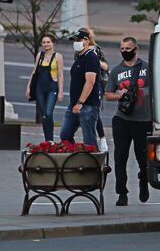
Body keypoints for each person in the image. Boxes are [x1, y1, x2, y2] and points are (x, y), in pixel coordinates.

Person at [105, 36, 152, 206]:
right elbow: (108, 94)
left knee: (143, 157)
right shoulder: (116, 71)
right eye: (122, 49)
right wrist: (119, 94)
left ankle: (143, 180)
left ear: (136, 49)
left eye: (128, 48)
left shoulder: (147, 68)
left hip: (143, 120)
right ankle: (122, 193)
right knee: (120, 156)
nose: (124, 51)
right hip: (122, 119)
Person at [60, 29, 103, 148]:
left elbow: (90, 82)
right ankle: (75, 158)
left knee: (89, 140)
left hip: (87, 105)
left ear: (86, 41)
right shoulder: (80, 57)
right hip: (74, 104)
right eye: (74, 40)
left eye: (78, 40)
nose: (75, 42)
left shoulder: (91, 57)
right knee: (65, 135)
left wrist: (80, 102)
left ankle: (92, 164)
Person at [26, 34, 65, 143]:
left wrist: (61, 91)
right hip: (40, 88)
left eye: (48, 42)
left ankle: (51, 139)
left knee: (48, 113)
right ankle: (48, 140)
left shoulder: (58, 56)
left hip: (52, 87)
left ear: (53, 43)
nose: (46, 44)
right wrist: (29, 87)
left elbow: (61, 75)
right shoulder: (40, 55)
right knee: (44, 115)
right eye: (43, 42)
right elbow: (34, 72)